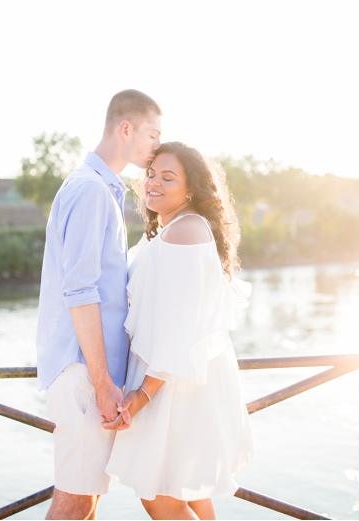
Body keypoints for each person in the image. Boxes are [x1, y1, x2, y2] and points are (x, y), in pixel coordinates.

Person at [103, 142, 254, 520]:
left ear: (191, 189)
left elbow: (181, 325)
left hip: (173, 381)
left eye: (168, 177)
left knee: (160, 497)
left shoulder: (185, 232)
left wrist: (144, 393)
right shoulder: (171, 228)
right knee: (186, 486)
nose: (153, 183)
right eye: (151, 174)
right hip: (176, 374)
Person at [36, 89, 162, 520]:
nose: (156, 146)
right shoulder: (90, 191)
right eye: (152, 134)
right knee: (74, 502)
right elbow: (81, 292)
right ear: (125, 129)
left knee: (85, 500)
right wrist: (103, 381)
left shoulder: (103, 189)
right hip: (84, 374)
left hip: (87, 373)